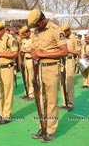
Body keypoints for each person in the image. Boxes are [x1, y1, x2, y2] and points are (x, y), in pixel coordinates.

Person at [28, 9, 67, 143]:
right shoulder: (36, 32)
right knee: (41, 99)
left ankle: (50, 130)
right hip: (39, 68)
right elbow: (34, 48)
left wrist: (42, 55)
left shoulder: (56, 29)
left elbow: (64, 51)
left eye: (37, 24)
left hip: (51, 68)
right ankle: (42, 127)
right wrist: (34, 53)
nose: (36, 27)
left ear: (43, 19)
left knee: (51, 100)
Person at [0, 21, 18, 125]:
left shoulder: (10, 39)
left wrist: (0, 54)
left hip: (7, 68)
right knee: (0, 91)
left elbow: (15, 53)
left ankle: (6, 115)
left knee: (7, 92)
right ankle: (1, 113)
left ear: (2, 30)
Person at [59, 24, 80, 111]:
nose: (64, 34)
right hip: (61, 61)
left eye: (65, 32)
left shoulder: (75, 39)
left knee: (69, 83)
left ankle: (70, 103)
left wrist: (67, 51)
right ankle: (64, 102)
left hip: (70, 61)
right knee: (62, 82)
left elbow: (78, 52)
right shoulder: (61, 38)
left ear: (68, 30)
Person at [18, 26, 34, 101]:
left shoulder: (33, 39)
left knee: (31, 77)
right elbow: (21, 48)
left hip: (30, 60)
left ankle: (31, 94)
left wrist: (26, 50)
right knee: (25, 77)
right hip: (24, 60)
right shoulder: (23, 40)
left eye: (25, 33)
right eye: (23, 34)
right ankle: (26, 93)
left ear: (28, 32)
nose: (24, 35)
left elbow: (34, 50)